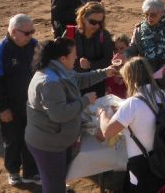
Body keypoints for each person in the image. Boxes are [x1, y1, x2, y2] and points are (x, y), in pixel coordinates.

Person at [25, 38, 116, 193]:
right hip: (48, 145)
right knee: (53, 187)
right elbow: (59, 114)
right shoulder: (50, 82)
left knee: (58, 181)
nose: (76, 57)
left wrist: (104, 72)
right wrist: (85, 101)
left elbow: (78, 80)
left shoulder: (59, 70)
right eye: (74, 55)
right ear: (63, 58)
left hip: (56, 139)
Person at [99, 56, 165, 192]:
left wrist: (102, 113)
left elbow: (107, 132)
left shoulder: (132, 104)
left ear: (130, 78)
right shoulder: (163, 96)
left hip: (141, 166)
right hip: (164, 158)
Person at [0, 14, 40, 186]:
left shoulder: (35, 46)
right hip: (11, 107)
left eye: (32, 31)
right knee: (12, 140)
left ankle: (31, 172)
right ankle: (13, 171)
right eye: (27, 33)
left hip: (32, 105)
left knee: (31, 138)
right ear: (14, 32)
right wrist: (2, 108)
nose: (31, 35)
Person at [65, 1, 114, 97]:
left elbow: (108, 60)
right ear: (83, 19)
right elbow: (60, 59)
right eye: (93, 22)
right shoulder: (70, 34)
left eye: (100, 22)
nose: (97, 26)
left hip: (97, 83)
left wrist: (90, 65)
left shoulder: (104, 35)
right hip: (74, 84)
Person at [105, 34, 130, 98]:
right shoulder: (111, 65)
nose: (118, 52)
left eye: (121, 48)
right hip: (113, 100)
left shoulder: (132, 64)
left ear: (128, 47)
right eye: (115, 49)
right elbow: (108, 88)